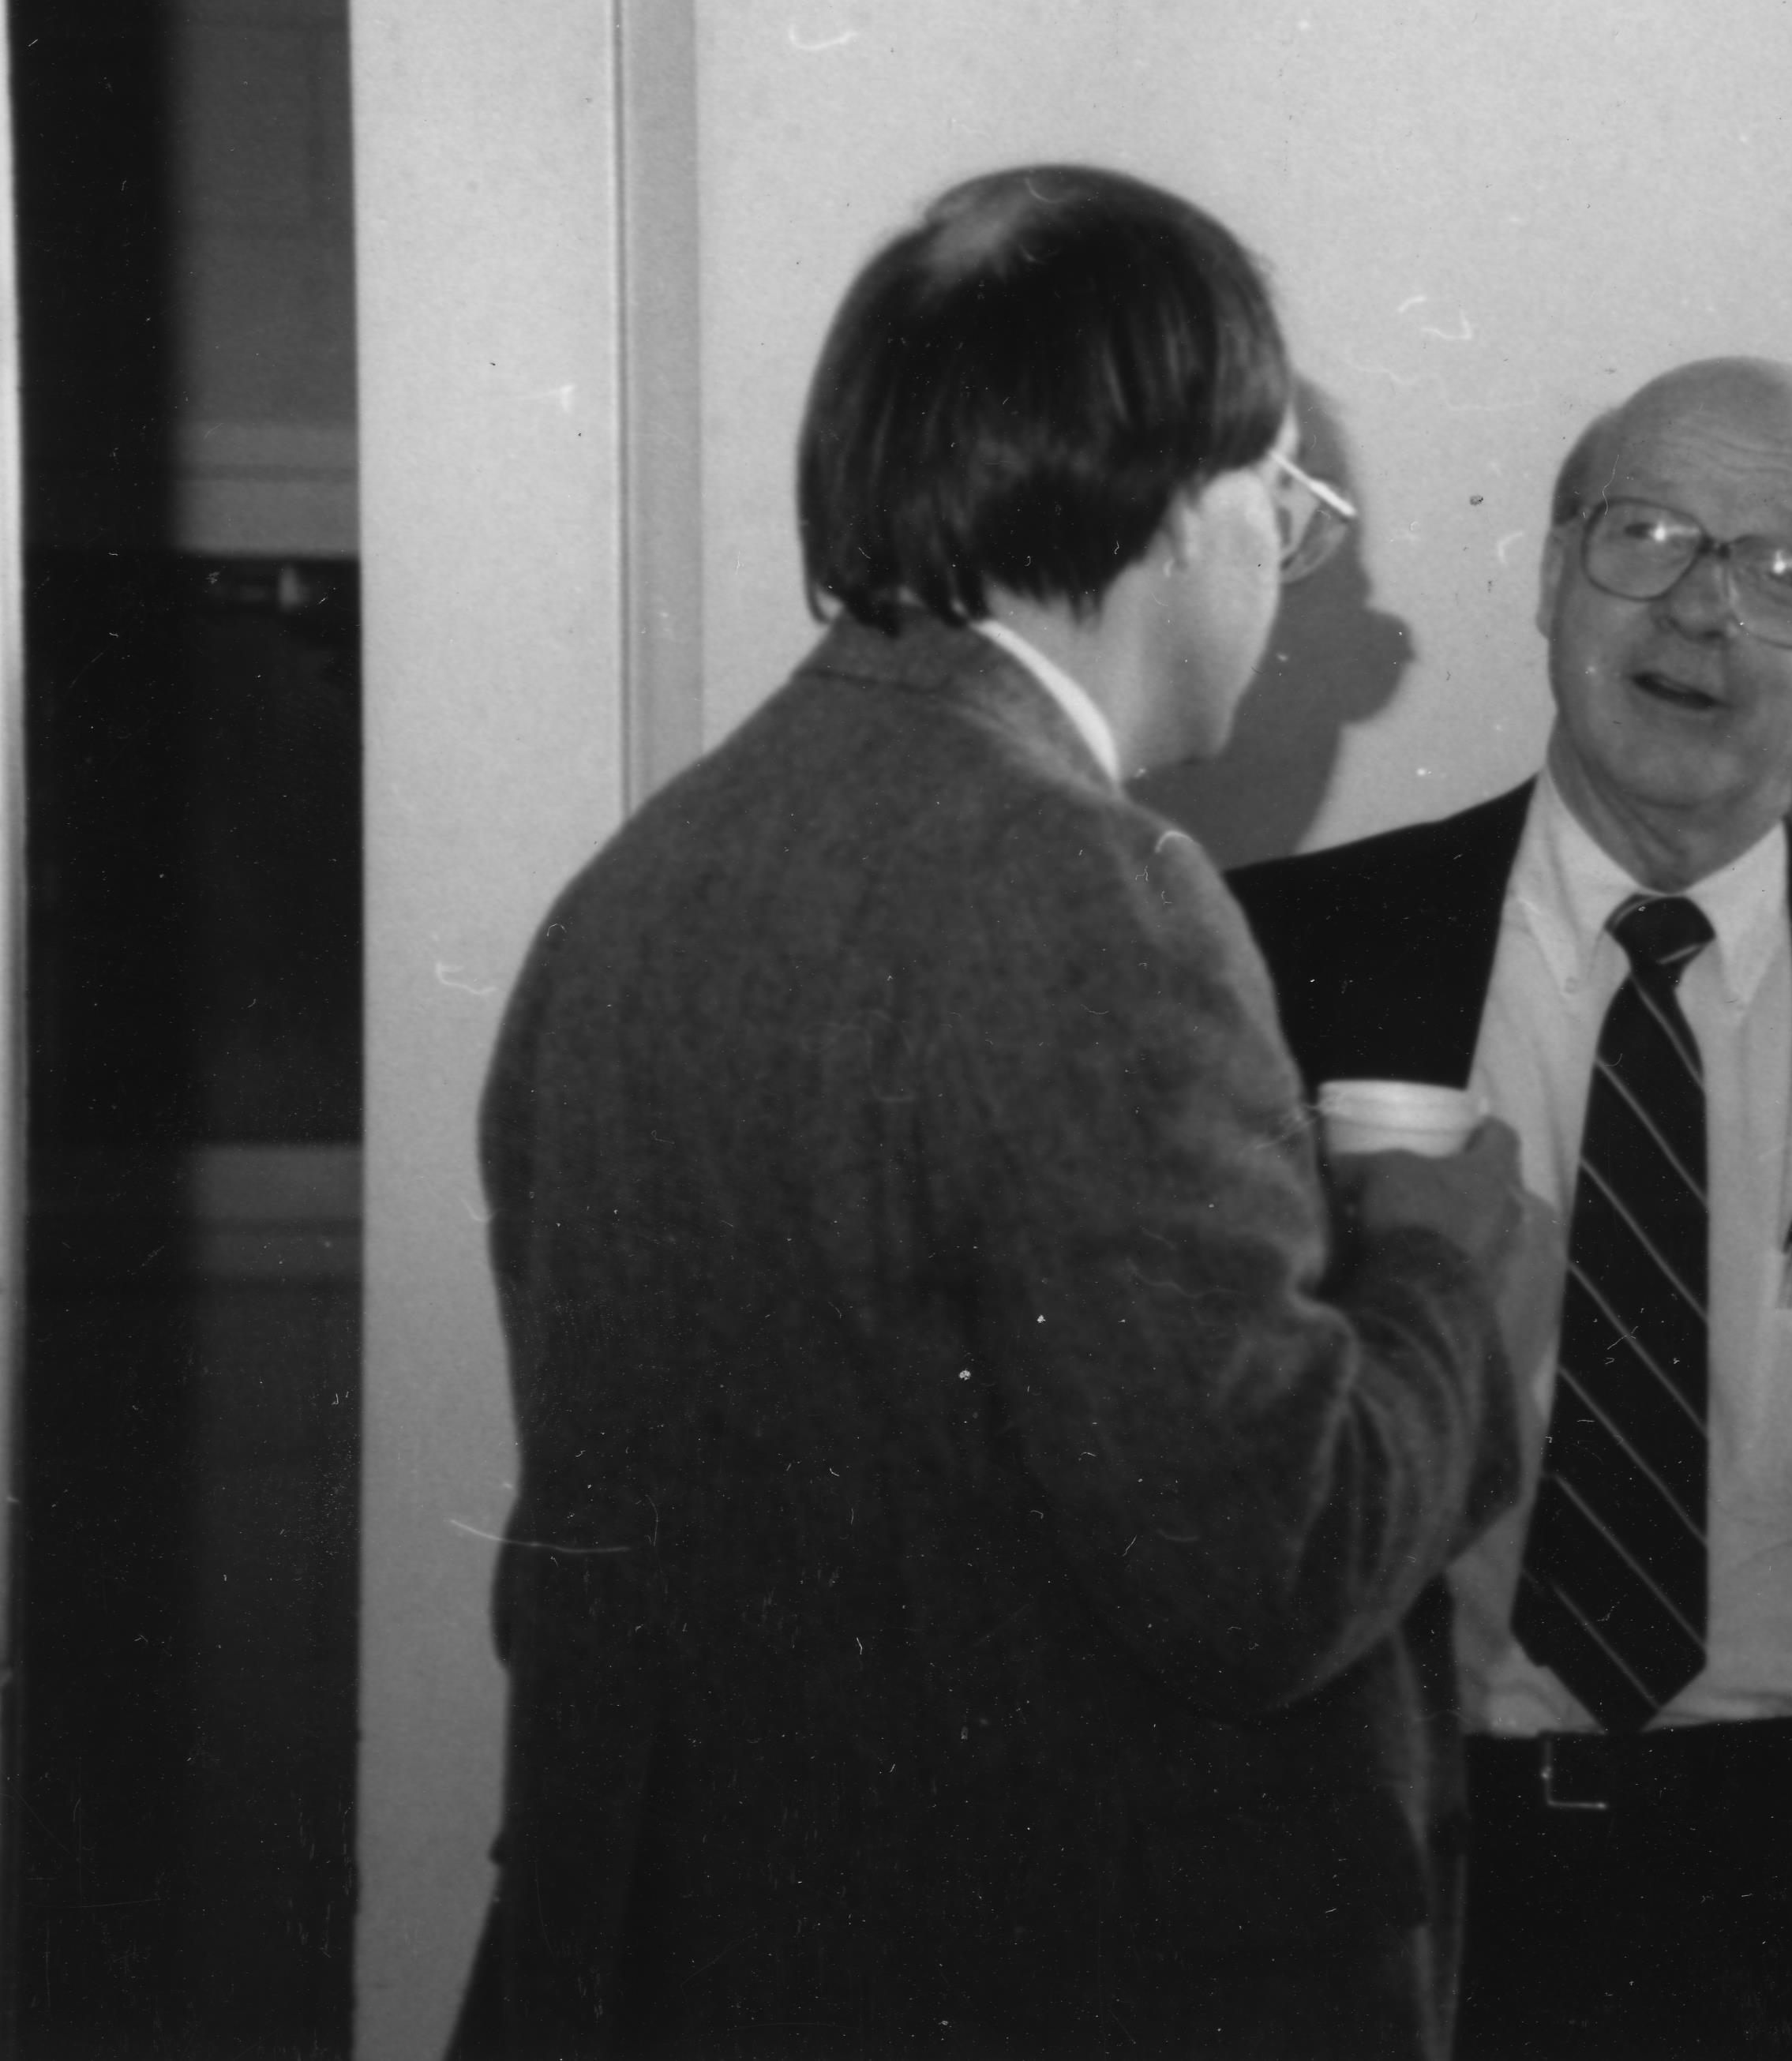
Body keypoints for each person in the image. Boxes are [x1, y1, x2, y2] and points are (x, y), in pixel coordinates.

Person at [452, 165, 1554, 2060]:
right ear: (1167, 502)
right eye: (1280, 500)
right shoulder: (1089, 892)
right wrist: (1440, 1280)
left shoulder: (636, 889)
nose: (1288, 572)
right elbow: (1267, 1570)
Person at [1230, 358, 1792, 2060]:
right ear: (1553, 571)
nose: (1701, 609)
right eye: (1646, 535)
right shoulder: (1286, 954)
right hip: (1388, 1856)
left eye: (1788, 576)